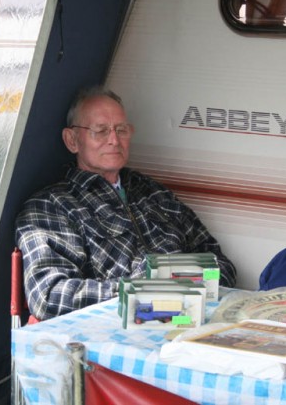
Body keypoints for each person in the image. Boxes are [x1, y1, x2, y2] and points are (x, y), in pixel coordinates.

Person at [15, 85, 237, 321]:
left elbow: (221, 264)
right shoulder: (51, 206)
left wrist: (184, 282)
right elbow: (49, 296)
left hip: (187, 320)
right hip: (114, 329)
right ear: (72, 140)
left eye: (121, 130)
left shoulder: (153, 193)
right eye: (101, 131)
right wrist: (139, 292)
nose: (114, 140)